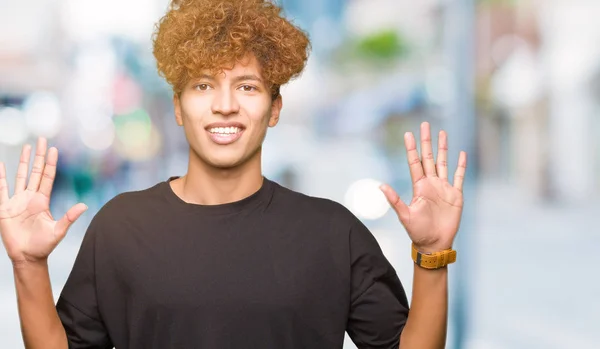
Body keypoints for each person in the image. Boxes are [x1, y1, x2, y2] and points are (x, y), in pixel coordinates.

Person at [0, 0, 467, 348]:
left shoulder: (334, 232)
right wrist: (28, 266)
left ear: (275, 108)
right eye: (203, 85)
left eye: (246, 86)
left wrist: (432, 255)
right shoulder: (120, 227)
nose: (225, 104)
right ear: (179, 108)